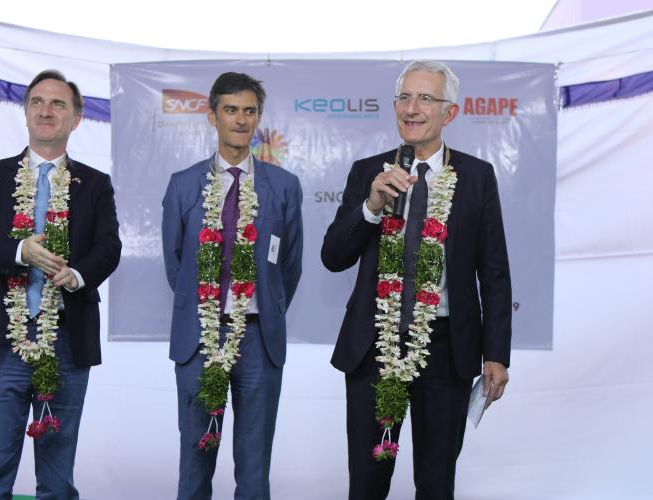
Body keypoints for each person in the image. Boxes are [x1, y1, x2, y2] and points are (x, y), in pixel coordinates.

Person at [321, 60, 512, 500]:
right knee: (367, 483)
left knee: (436, 482)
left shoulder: (477, 176)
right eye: (404, 97)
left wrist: (496, 354)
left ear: (449, 113)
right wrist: (371, 206)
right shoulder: (368, 171)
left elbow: (494, 271)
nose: (412, 108)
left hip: (446, 349)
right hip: (374, 346)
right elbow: (333, 257)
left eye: (425, 98)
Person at [0, 69, 122, 499]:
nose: (46, 111)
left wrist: (77, 275)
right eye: (37, 102)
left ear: (76, 119)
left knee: (57, 477)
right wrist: (18, 251)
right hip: (0, 341)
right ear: (26, 112)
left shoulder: (95, 184)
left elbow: (109, 248)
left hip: (67, 339)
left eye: (58, 104)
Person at [162, 72, 303, 500]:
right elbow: (175, 265)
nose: (240, 120)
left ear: (258, 118)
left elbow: (290, 266)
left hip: (259, 339)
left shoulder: (284, 186)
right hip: (199, 338)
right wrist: (209, 311)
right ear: (213, 116)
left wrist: (260, 308)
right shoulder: (184, 184)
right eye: (231, 110)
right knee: (195, 460)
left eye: (249, 111)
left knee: (254, 466)